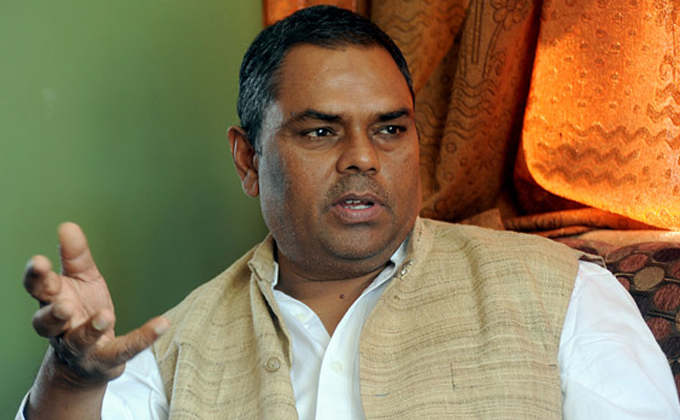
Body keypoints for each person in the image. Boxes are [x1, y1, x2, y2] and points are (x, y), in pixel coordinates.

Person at [18, 5, 680, 420]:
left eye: (390, 129)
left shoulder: (561, 293)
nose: (363, 157)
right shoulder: (175, 349)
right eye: (320, 131)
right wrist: (71, 380)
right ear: (248, 160)